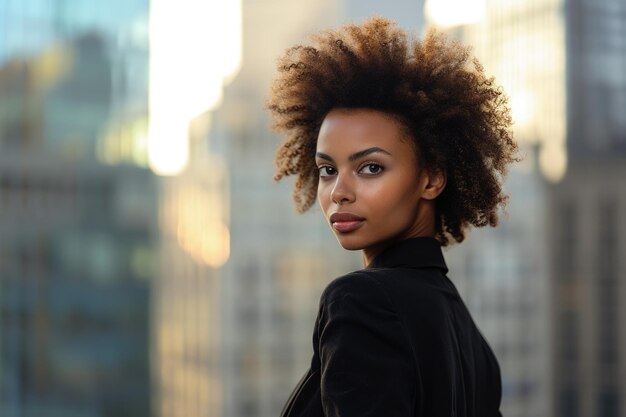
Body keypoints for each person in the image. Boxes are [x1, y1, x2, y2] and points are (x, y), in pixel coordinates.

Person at [267, 16, 519, 417]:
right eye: (328, 169)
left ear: (432, 178)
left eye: (370, 168)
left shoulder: (361, 302)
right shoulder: (473, 344)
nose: (339, 192)